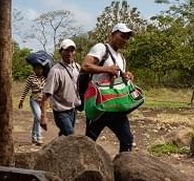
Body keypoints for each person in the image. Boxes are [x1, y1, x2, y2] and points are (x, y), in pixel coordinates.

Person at [82, 23, 136, 152]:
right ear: (112, 34)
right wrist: (107, 69)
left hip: (116, 104)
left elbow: (117, 79)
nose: (125, 40)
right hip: (99, 104)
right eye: (122, 36)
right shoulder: (101, 48)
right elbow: (85, 66)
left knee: (127, 139)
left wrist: (126, 77)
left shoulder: (121, 57)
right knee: (89, 141)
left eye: (127, 38)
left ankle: (121, 169)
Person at [41, 39, 81, 137]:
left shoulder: (77, 68)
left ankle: (58, 151)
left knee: (64, 136)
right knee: (71, 136)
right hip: (61, 111)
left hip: (73, 109)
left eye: (72, 50)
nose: (69, 53)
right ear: (60, 52)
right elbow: (46, 95)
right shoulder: (55, 71)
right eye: (66, 50)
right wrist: (43, 116)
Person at [19, 62, 47, 145]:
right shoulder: (30, 78)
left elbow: (47, 90)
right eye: (38, 68)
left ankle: (33, 137)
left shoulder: (44, 78)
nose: (39, 70)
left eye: (41, 69)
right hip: (34, 100)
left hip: (42, 102)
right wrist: (21, 100)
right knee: (39, 117)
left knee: (36, 119)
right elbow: (26, 90)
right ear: (34, 69)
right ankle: (39, 138)